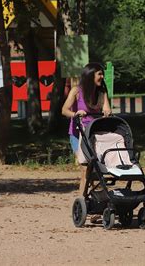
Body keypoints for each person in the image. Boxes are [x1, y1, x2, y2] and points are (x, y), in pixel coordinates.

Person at [62, 63, 111, 195]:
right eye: (99, 74)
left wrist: (106, 111)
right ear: (90, 76)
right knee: (85, 166)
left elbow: (107, 108)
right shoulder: (76, 91)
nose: (102, 77)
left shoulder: (102, 92)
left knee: (93, 166)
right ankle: (82, 200)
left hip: (93, 132)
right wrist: (75, 114)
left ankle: (93, 196)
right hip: (77, 133)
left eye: (102, 74)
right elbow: (64, 110)